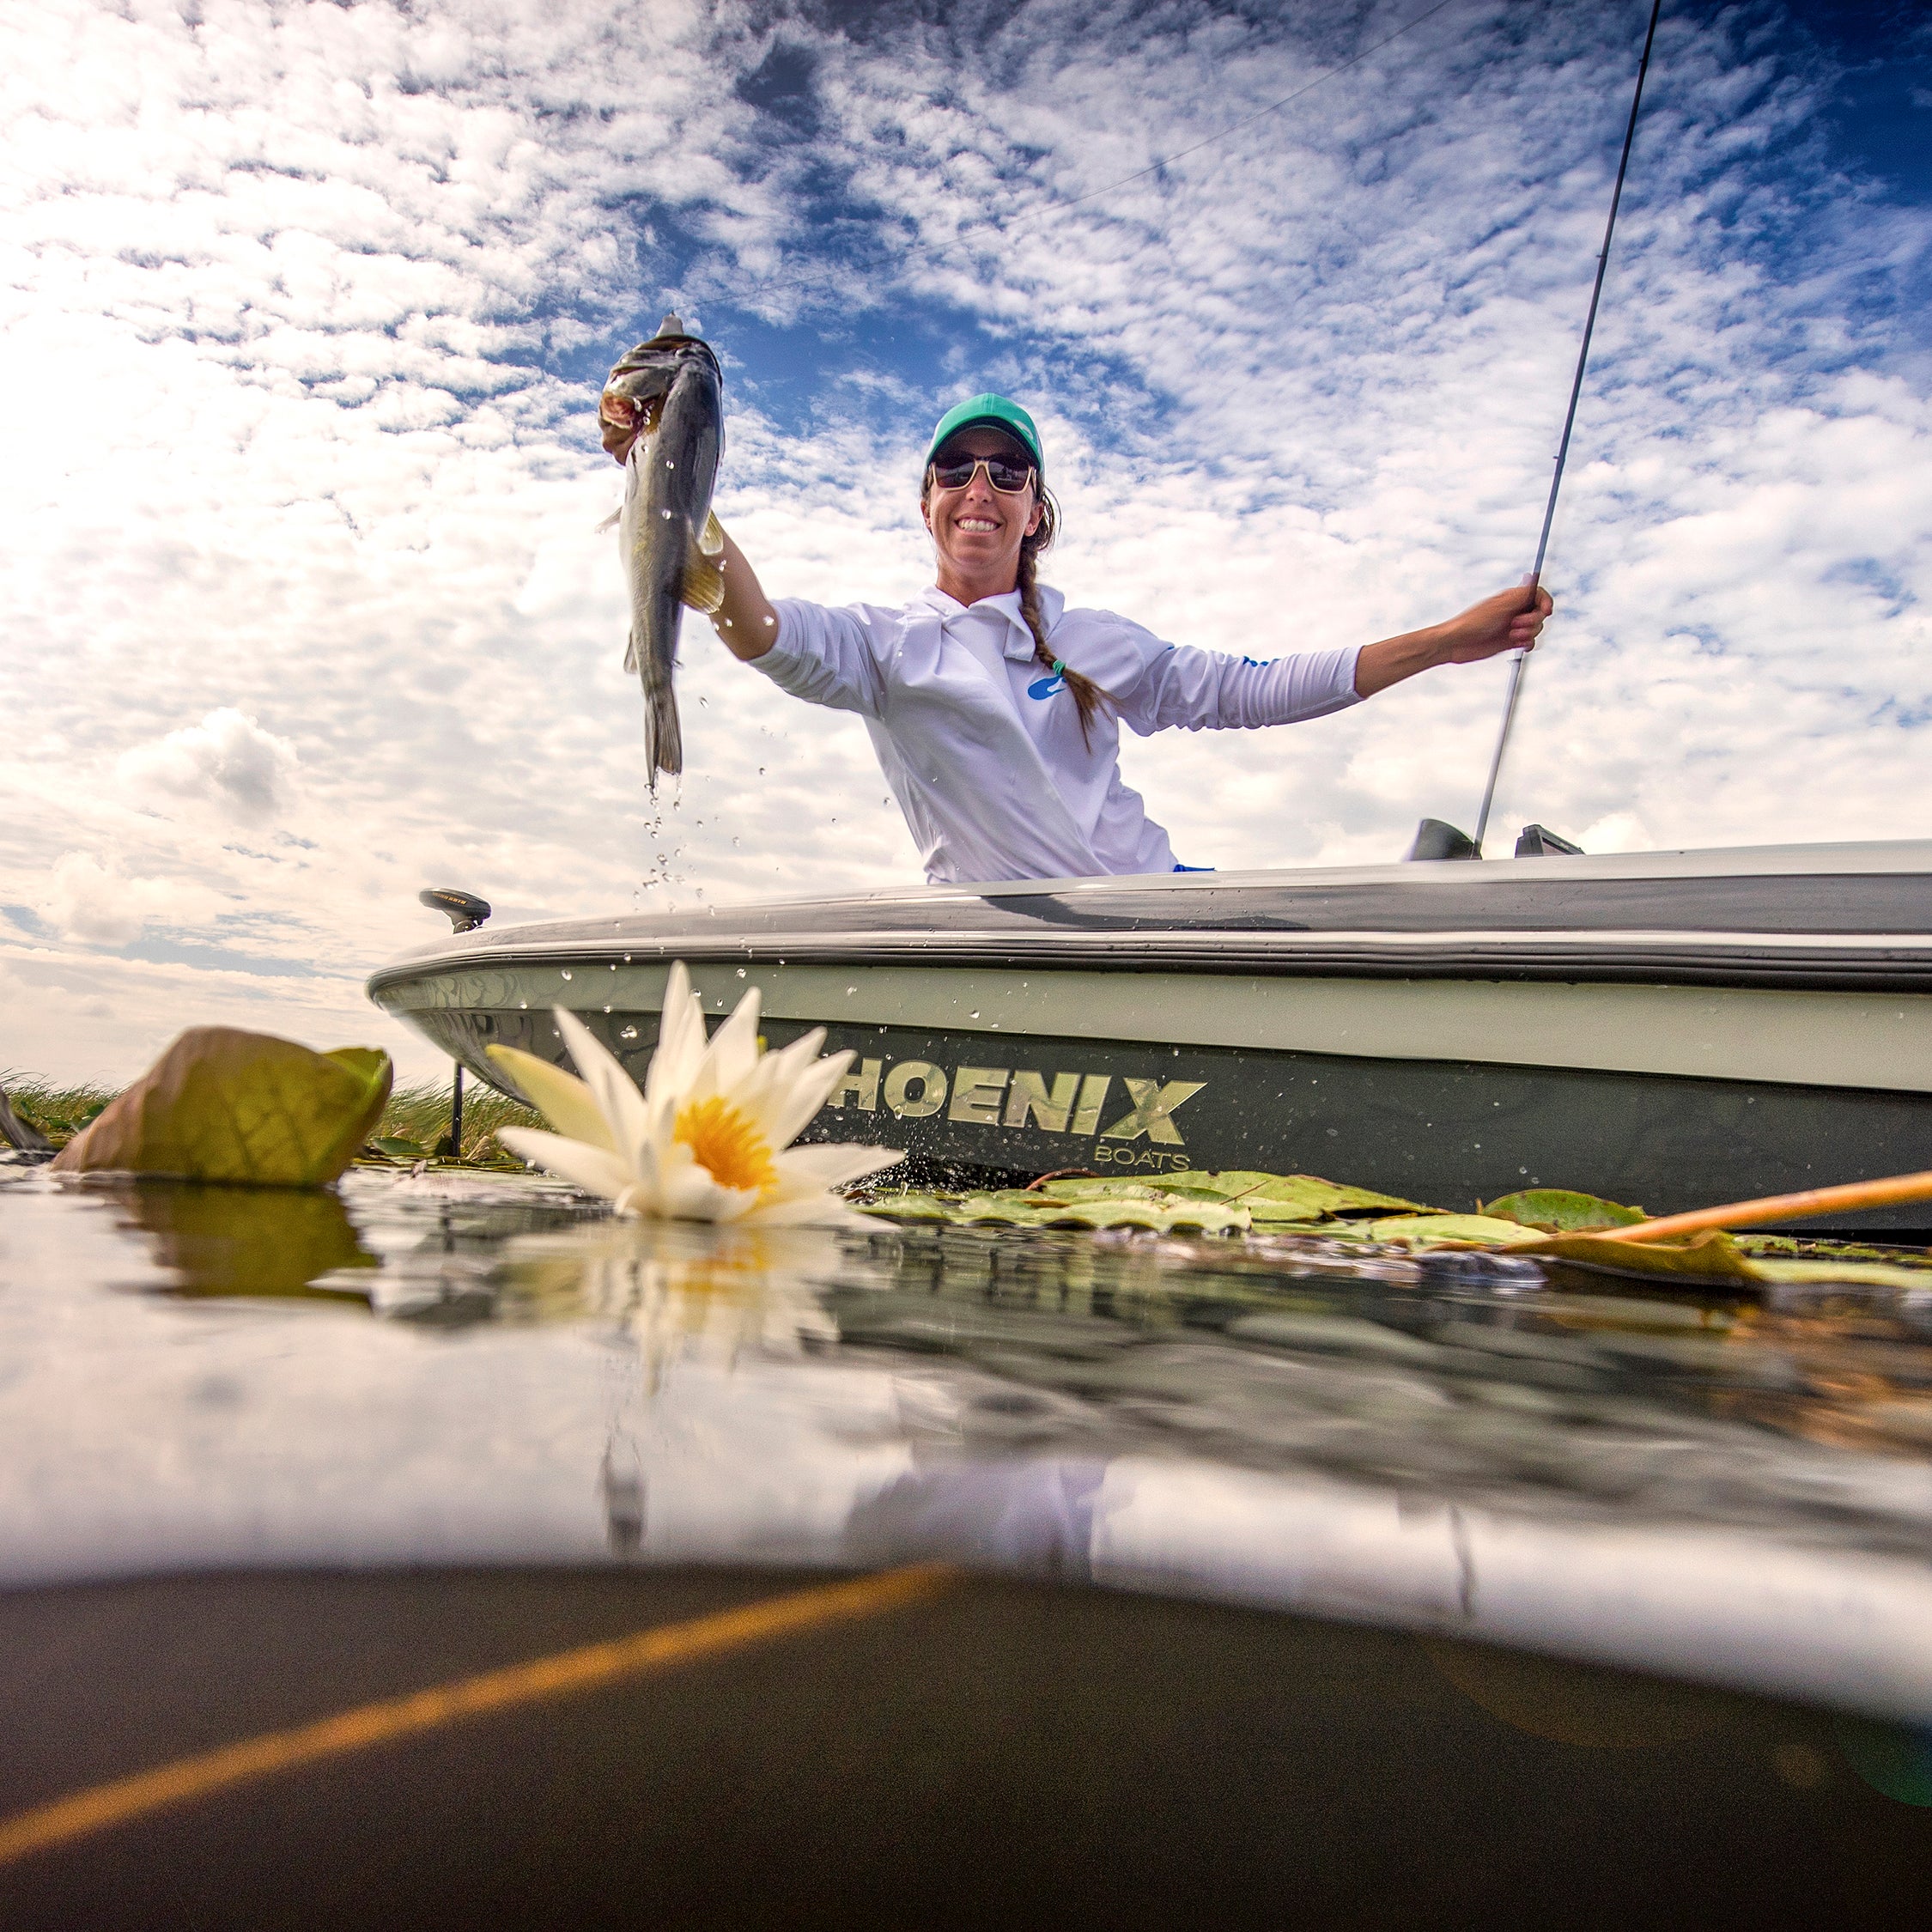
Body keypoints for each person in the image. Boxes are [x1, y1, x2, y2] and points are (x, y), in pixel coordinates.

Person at [692, 393, 1551, 884]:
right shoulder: (880, 647)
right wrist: (681, 498)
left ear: (1035, 512)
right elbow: (761, 630)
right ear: (928, 504)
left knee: (1386, 900)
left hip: (1167, 913)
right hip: (1011, 941)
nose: (980, 487)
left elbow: (1250, 689)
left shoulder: (1089, 637)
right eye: (956, 471)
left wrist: (1444, 641)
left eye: (1008, 472)